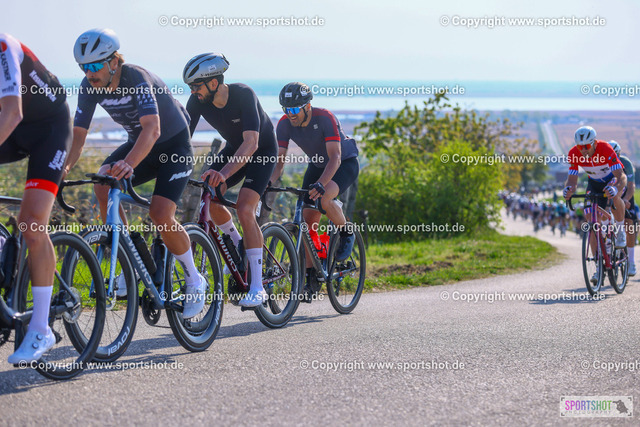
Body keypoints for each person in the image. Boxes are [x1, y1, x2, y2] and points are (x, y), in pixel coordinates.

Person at [66, 28, 206, 319]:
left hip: (173, 147)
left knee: (160, 213)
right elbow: (78, 136)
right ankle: (130, 260)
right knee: (103, 184)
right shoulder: (89, 86)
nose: (89, 73)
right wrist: (62, 169)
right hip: (139, 144)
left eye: (95, 65)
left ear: (113, 61)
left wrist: (129, 164)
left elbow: (152, 129)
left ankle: (194, 279)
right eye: (83, 67)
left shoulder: (136, 78)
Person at [183, 53, 277, 307]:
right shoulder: (197, 101)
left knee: (245, 208)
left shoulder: (244, 94)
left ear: (214, 83)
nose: (192, 91)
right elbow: (183, 137)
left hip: (262, 151)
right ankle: (237, 246)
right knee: (210, 197)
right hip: (234, 149)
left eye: (196, 86)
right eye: (190, 87)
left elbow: (252, 143)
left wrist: (223, 174)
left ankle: (257, 287)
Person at [0, 34, 70, 362]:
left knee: (30, 225)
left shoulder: (3, 47)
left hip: (47, 129)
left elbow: (12, 113)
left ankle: (41, 328)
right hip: (12, 131)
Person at [271, 82, 359, 301]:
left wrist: (321, 184)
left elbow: (335, 157)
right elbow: (279, 162)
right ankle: (311, 278)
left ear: (307, 106)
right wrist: (268, 183)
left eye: (294, 109)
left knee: (324, 199)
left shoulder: (325, 117)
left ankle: (346, 231)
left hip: (344, 163)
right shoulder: (284, 124)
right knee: (307, 220)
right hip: (317, 165)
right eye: (286, 109)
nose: (290, 114)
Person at [564, 126, 627, 281]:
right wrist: (568, 190)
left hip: (612, 180)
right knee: (592, 223)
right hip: (593, 184)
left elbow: (621, 176)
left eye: (586, 146)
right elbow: (572, 180)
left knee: (615, 197)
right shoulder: (574, 153)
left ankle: (620, 231)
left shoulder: (605, 149)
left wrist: (616, 188)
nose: (583, 150)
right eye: (580, 147)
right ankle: (599, 266)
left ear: (594, 143)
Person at [609, 140, 637, 276]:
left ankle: (631, 261)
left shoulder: (626, 163)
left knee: (629, 223)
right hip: (609, 194)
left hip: (625, 194)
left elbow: (631, 186)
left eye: (617, 155)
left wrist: (626, 199)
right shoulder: (603, 163)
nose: (615, 157)